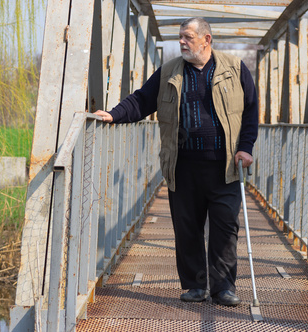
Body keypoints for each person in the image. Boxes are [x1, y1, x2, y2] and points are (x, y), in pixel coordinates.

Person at [94, 17, 258, 306]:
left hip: (225, 167)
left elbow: (251, 112)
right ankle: (196, 286)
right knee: (187, 228)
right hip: (183, 166)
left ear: (206, 40)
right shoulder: (169, 71)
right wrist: (113, 114)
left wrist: (245, 147)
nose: (182, 42)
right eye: (181, 37)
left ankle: (223, 289)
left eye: (188, 37)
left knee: (225, 228)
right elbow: (141, 100)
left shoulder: (235, 68)